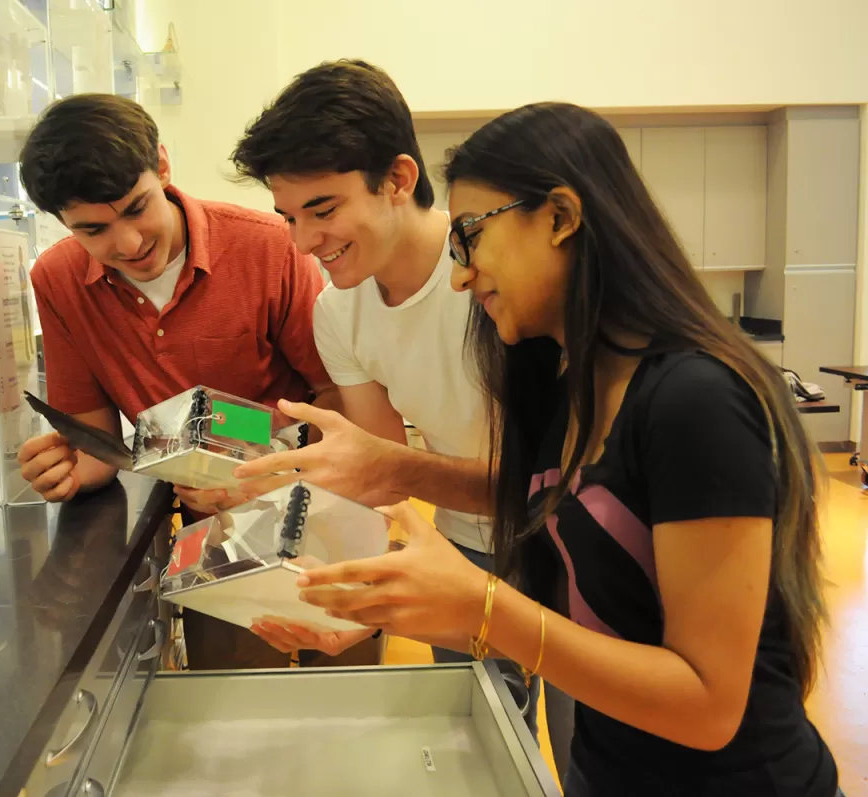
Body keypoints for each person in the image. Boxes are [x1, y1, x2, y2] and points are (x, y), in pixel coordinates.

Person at [286, 102, 842, 797]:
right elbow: (557, 556)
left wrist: (484, 605)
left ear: (559, 216)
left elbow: (709, 706)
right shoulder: (562, 378)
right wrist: (387, 598)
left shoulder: (694, 399)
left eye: (470, 238)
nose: (460, 276)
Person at [229, 59, 564, 749]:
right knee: (488, 739)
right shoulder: (336, 310)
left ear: (399, 178)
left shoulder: (491, 269)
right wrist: (355, 595)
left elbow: (401, 467)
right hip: (465, 540)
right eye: (289, 217)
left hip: (566, 536)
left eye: (323, 209)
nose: (304, 240)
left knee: (580, 736)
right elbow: (384, 473)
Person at [15, 93, 381, 671]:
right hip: (212, 539)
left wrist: (273, 467)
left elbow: (343, 400)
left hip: (323, 514)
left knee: (343, 699)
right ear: (62, 222)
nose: (129, 245)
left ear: (162, 166)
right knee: (230, 706)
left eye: (137, 208)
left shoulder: (268, 247)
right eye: (93, 229)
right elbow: (94, 442)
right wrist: (67, 471)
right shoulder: (58, 280)